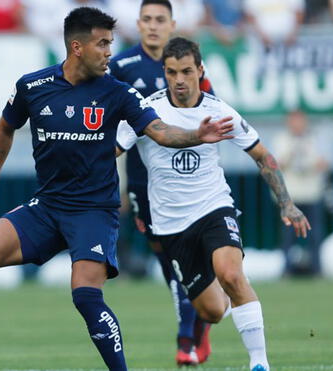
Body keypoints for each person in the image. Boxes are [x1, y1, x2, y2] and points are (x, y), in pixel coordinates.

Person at [0, 7, 235, 371]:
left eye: (111, 44)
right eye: (102, 44)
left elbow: (160, 131)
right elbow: (5, 128)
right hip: (48, 207)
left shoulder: (118, 93)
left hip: (94, 213)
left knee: (85, 297)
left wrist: (196, 135)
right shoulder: (33, 86)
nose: (109, 52)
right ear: (77, 46)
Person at [117, 37, 310, 371]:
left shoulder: (219, 112)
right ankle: (228, 309)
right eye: (172, 72)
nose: (180, 80)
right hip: (170, 225)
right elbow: (109, 153)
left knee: (232, 275)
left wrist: (287, 204)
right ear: (164, 72)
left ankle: (260, 362)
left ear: (200, 70)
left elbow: (263, 156)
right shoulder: (146, 111)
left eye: (187, 71)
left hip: (213, 208)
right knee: (213, 312)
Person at [107, 0, 215, 365]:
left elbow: (210, 109)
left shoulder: (186, 65)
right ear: (137, 24)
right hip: (144, 182)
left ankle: (191, 332)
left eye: (160, 20)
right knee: (171, 261)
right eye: (147, 20)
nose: (153, 26)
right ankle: (190, 331)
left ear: (172, 24)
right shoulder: (121, 66)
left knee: (195, 260)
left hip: (190, 180)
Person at [273, 110, 329, 276]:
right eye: (293, 121)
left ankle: (317, 269)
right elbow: (277, 165)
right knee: (288, 235)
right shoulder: (282, 140)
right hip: (291, 196)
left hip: (311, 193)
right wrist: (293, 152)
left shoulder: (315, 139)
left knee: (314, 234)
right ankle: (287, 270)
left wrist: (309, 160)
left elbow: (324, 163)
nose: (297, 125)